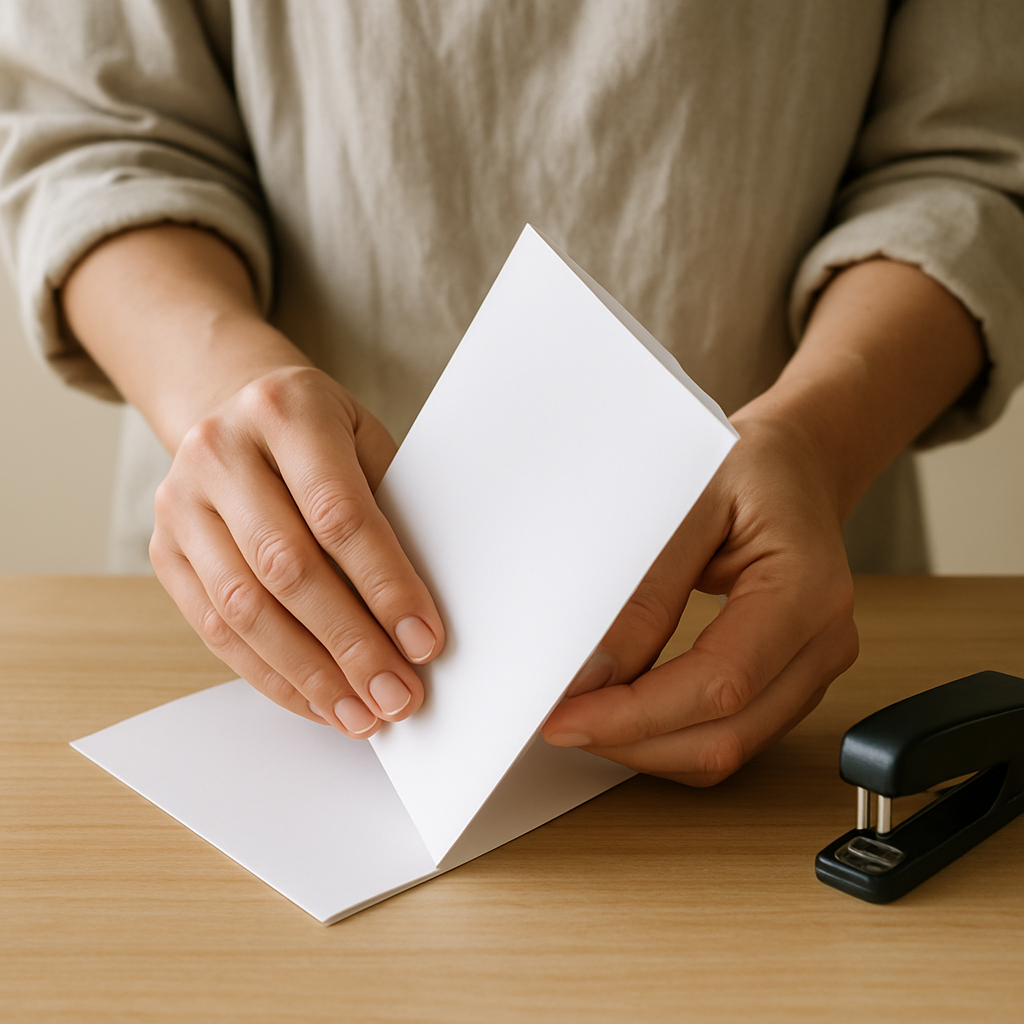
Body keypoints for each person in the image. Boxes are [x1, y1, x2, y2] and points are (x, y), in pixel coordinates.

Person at [1, 2, 1022, 784]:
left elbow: (972, 160)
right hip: (250, 613)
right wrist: (225, 388)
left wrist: (816, 434)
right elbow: (89, 131)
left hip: (768, 614)